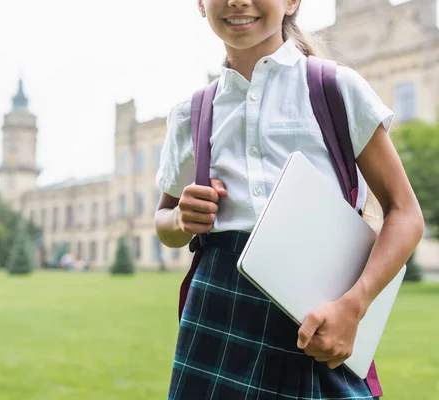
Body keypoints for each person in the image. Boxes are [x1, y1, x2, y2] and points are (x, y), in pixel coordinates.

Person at [154, 1, 425, 399]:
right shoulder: (191, 114)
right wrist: (180, 220)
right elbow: (163, 221)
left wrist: (354, 306)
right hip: (219, 313)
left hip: (320, 313)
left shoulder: (335, 88)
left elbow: (405, 212)